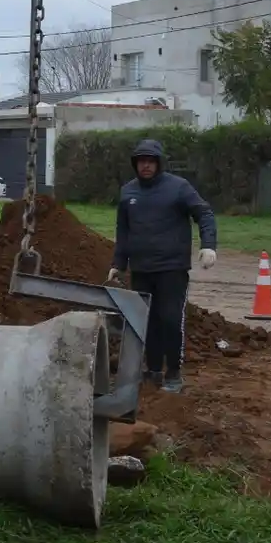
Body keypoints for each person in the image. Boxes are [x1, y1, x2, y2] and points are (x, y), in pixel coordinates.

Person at [106, 138, 217, 394]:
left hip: (172, 269)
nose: (145, 166)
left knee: (169, 319)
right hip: (141, 269)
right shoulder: (128, 192)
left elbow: (204, 213)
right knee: (147, 321)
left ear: (158, 163)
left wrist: (208, 244)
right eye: (141, 161)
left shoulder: (178, 188)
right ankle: (153, 370)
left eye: (150, 161)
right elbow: (123, 231)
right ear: (135, 164)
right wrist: (118, 263)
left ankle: (173, 374)